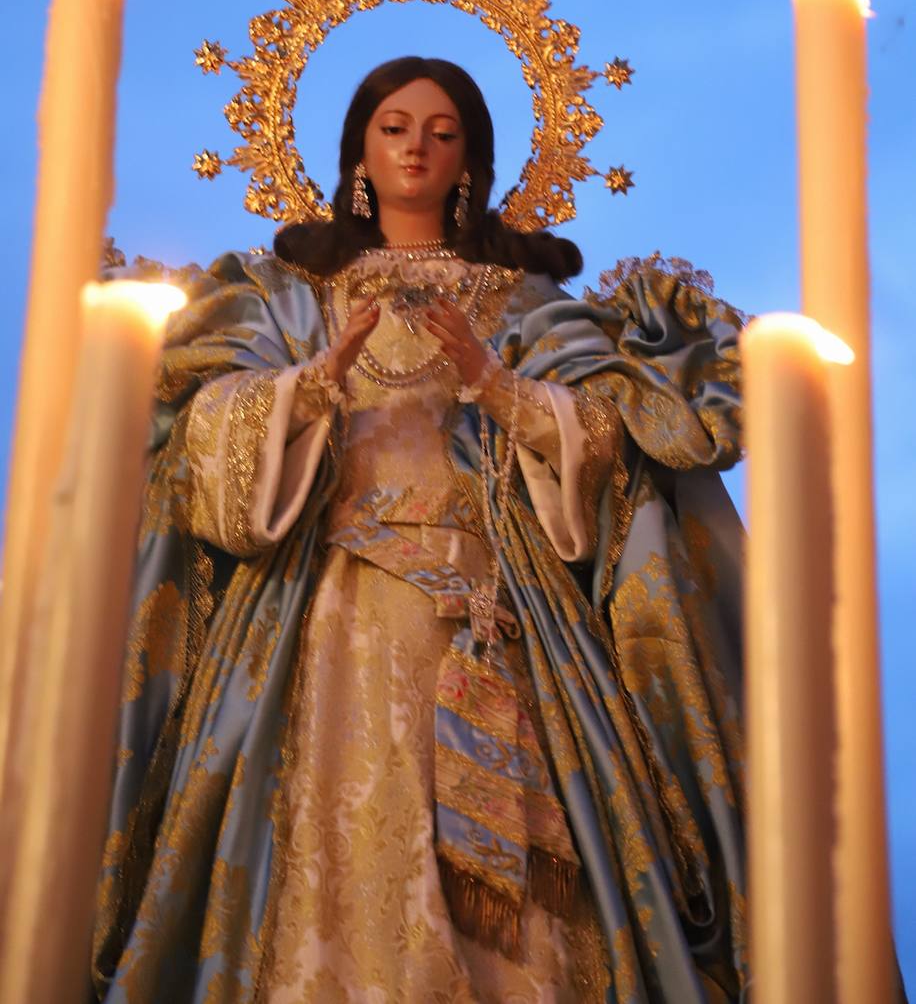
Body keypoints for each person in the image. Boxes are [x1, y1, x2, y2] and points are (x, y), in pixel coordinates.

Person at [91, 56, 748, 1003]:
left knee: (522, 884)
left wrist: (497, 384)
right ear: (361, 146)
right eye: (396, 127)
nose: (417, 148)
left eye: (442, 132)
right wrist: (310, 386)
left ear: (471, 159)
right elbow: (204, 438)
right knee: (341, 834)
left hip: (497, 606)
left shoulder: (521, 300)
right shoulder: (290, 292)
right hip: (327, 610)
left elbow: (607, 438)